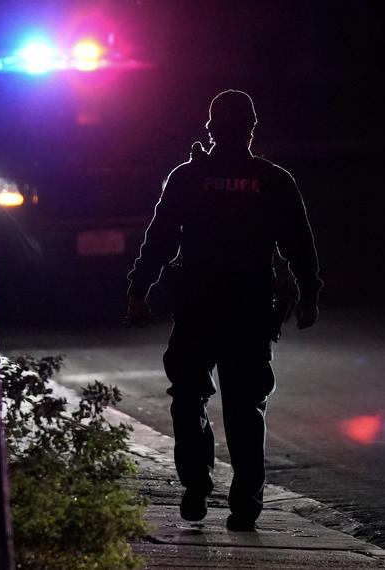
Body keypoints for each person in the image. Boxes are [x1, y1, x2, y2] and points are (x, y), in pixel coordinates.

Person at [125, 89, 321, 531]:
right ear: (251, 130)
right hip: (249, 312)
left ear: (210, 129)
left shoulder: (187, 178)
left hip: (197, 309)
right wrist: (308, 294)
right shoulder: (273, 180)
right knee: (245, 406)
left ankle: (196, 486)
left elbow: (159, 240)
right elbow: (299, 246)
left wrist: (138, 291)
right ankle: (246, 504)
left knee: (189, 398)